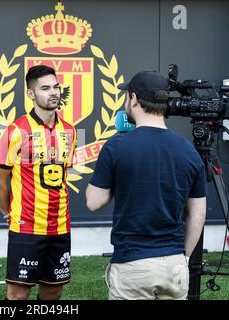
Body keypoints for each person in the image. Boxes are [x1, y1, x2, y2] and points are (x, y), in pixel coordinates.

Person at [86, 70, 207, 300]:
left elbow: (93, 202)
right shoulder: (189, 151)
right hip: (174, 267)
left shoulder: (116, 146)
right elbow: (198, 214)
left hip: (132, 266)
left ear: (133, 99)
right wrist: (184, 257)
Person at [0, 65, 76, 300]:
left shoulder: (69, 131)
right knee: (18, 294)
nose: (54, 93)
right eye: (45, 88)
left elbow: (62, 178)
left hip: (60, 226)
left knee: (53, 291)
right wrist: (7, 213)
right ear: (31, 94)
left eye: (56, 87)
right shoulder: (15, 131)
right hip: (26, 227)